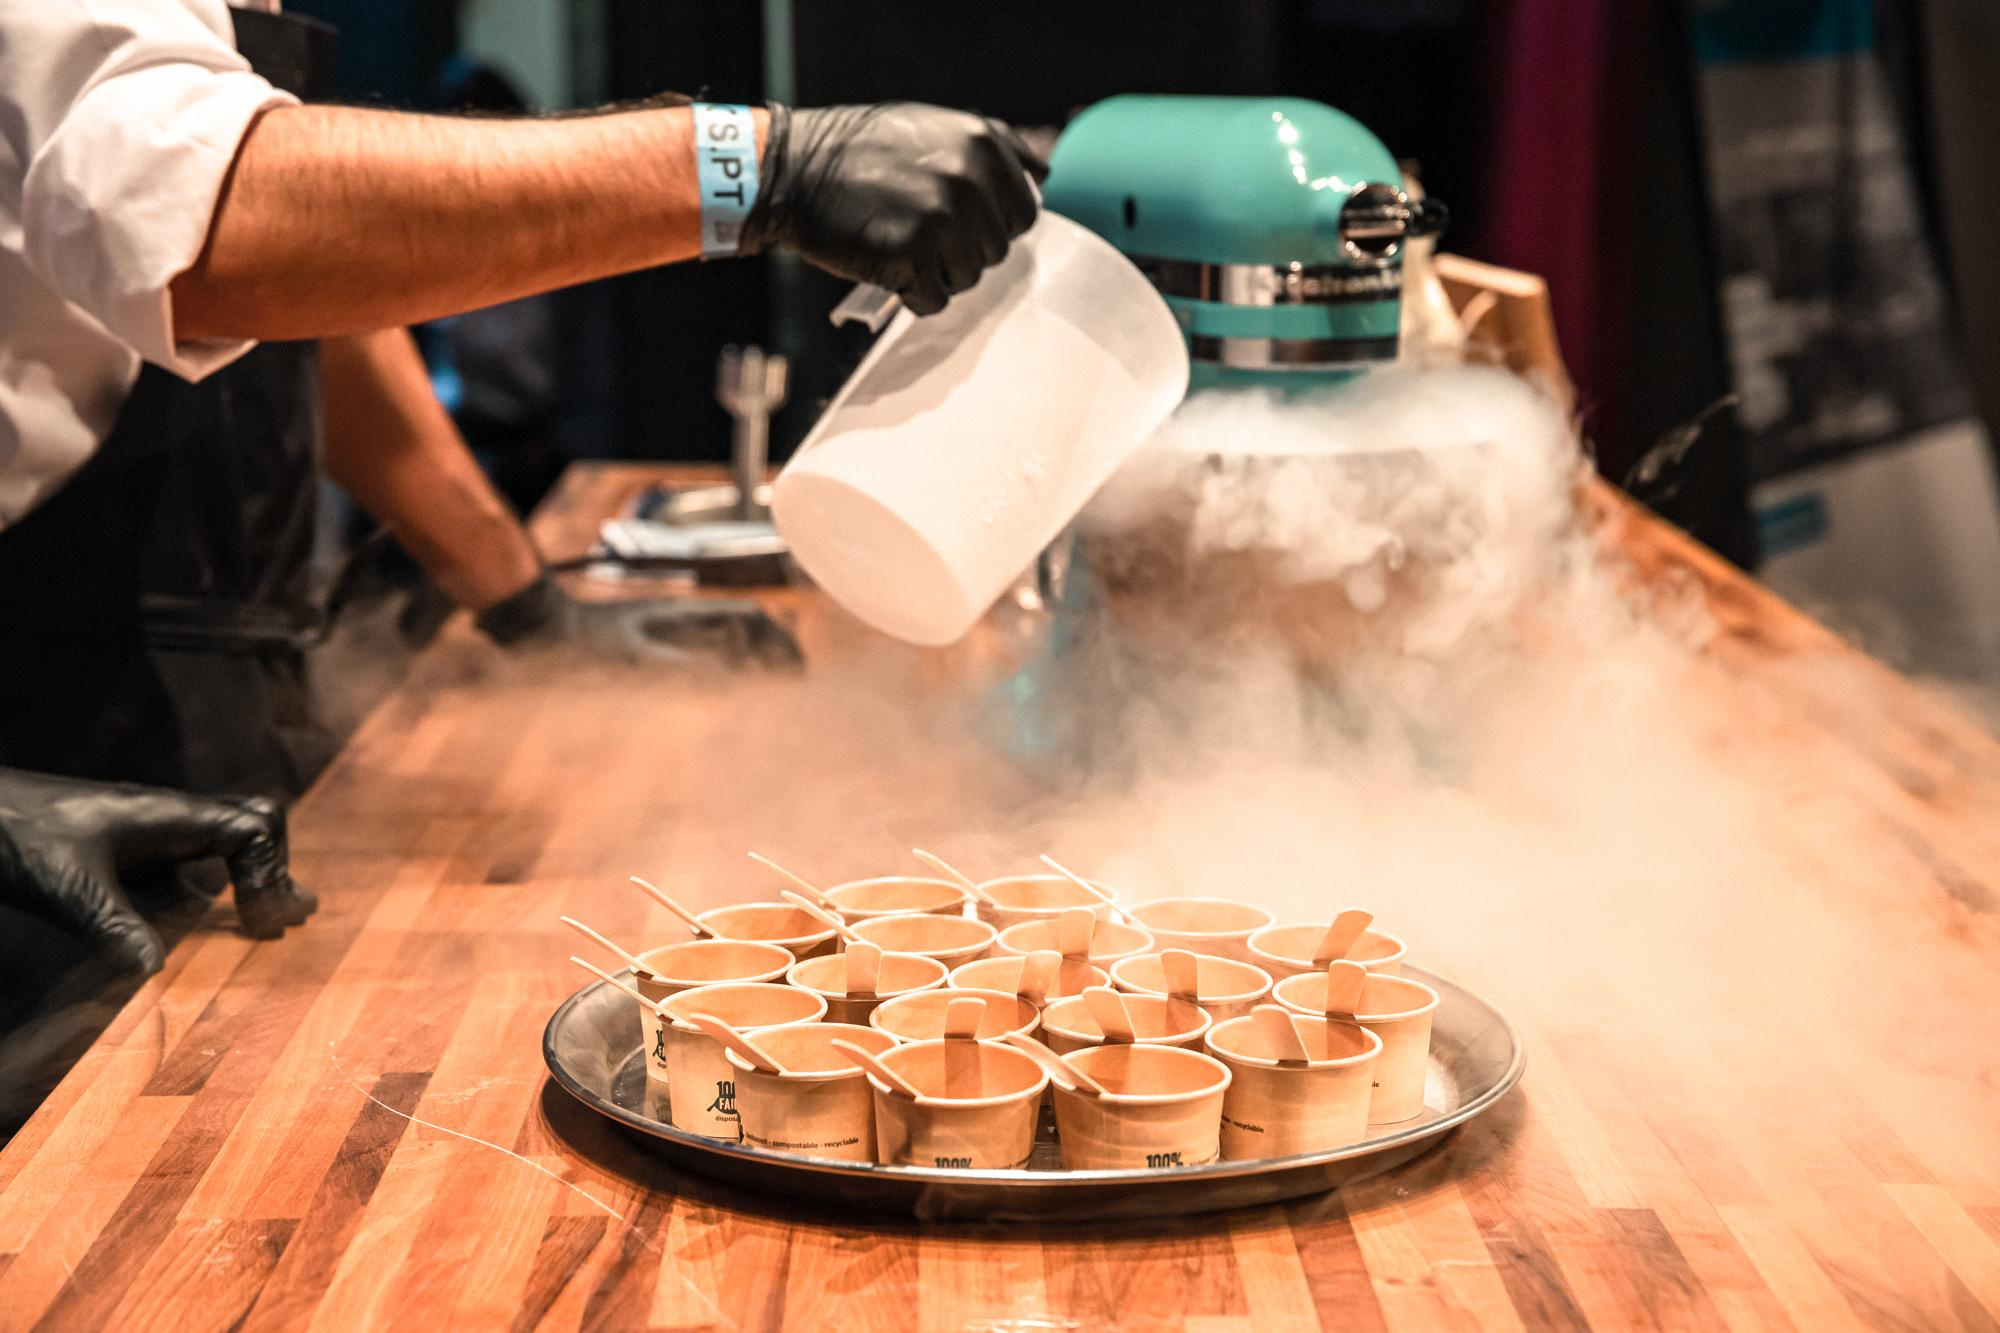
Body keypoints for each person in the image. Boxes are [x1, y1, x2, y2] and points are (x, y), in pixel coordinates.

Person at [0, 0, 1045, 977]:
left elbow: (303, 293)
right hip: (46, 691)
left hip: (202, 658)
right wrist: (757, 168)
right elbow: (214, 224)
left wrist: (525, 602)